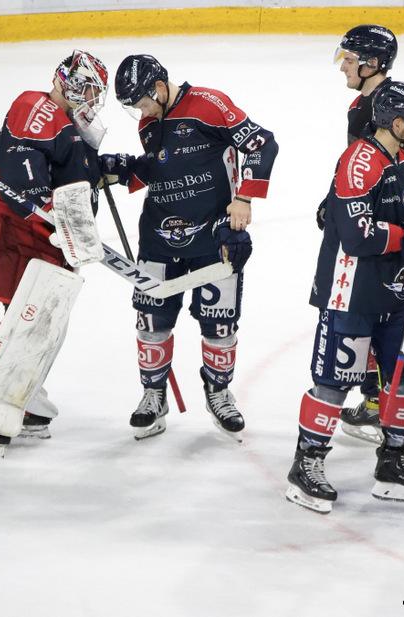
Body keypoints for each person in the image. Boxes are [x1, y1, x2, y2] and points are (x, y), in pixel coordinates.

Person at [286, 81, 404, 514]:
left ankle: (393, 462)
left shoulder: (403, 158)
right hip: (352, 291)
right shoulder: (360, 162)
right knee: (335, 380)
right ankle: (306, 466)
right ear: (396, 123)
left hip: (395, 289)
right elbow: (358, 236)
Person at [100, 54, 278, 441]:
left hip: (213, 236)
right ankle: (153, 395)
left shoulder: (211, 106)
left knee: (220, 323)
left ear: (160, 88)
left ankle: (218, 392)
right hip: (158, 238)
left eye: (143, 102)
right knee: (151, 323)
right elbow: (160, 166)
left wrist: (244, 199)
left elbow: (263, 144)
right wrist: (123, 170)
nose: (141, 112)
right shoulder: (150, 123)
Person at [0, 50, 108, 454]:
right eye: (86, 89)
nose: (91, 99)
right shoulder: (36, 107)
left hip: (43, 229)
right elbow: (22, 178)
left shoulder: (69, 125)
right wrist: (48, 209)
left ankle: (21, 396)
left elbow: (73, 173)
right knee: (24, 314)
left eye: (96, 93)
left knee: (42, 314)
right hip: (14, 223)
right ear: (66, 81)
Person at [329, 25, 404, 464]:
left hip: (392, 231)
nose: (343, 64)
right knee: (381, 322)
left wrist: (396, 187)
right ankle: (380, 405)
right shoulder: (367, 104)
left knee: (392, 325)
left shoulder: (392, 104)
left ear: (372, 63)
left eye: (350, 57)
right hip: (381, 227)